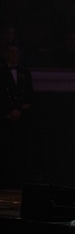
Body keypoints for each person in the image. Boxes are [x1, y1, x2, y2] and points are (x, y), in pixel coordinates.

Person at [1, 44, 34, 187]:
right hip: (5, 119)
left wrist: (20, 110)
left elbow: (29, 95)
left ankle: (17, 181)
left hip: (21, 119)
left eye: (16, 52)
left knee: (19, 151)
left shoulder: (25, 73)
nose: (14, 55)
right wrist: (8, 112)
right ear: (5, 54)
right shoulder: (1, 72)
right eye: (11, 52)